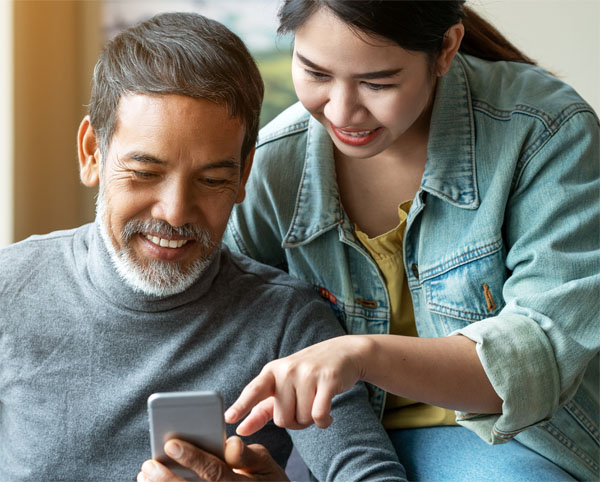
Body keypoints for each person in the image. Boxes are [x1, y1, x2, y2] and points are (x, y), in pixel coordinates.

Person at [0, 12, 407, 482]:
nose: (175, 212)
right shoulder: (11, 289)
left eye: (212, 180)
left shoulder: (288, 324)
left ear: (243, 175)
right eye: (145, 173)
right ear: (92, 152)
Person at [222, 1, 600, 480]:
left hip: (507, 440)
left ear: (446, 48)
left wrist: (361, 356)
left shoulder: (544, 131)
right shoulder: (274, 166)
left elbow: (538, 354)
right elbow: (224, 331)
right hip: (339, 442)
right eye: (315, 72)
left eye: (377, 83)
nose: (341, 110)